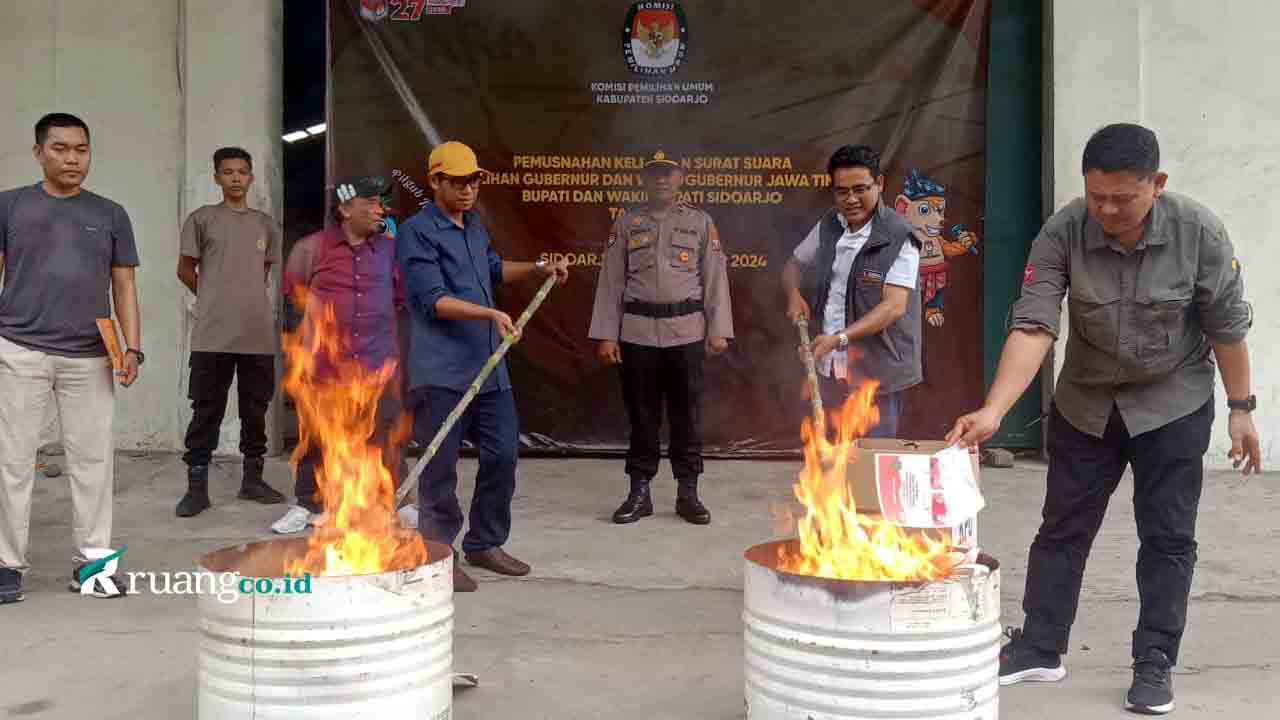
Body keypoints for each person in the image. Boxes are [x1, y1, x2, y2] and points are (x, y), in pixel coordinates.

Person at [946, 123, 1261, 716]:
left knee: (1167, 539)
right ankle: (1040, 646)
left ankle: (1155, 660)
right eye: (1097, 197)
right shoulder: (1064, 229)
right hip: (1086, 405)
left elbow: (1227, 328)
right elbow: (1035, 324)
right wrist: (994, 410)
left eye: (1124, 197)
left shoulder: (1199, 232)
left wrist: (1241, 411)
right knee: (1061, 529)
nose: (1108, 210)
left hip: (1174, 405)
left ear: (1157, 184)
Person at [397, 141, 568, 592]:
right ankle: (438, 552)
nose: (470, 189)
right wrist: (489, 314)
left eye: (474, 180)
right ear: (435, 181)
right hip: (442, 371)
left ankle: (485, 542)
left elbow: (493, 269)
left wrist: (537, 268)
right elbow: (432, 300)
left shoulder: (473, 226)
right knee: (440, 467)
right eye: (459, 181)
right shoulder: (416, 232)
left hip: (488, 366)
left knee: (503, 454)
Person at [0, 113, 142, 604]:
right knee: (12, 461)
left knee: (93, 462)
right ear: (39, 151)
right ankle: (6, 566)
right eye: (60, 148)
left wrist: (132, 347)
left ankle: (94, 564)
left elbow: (123, 283)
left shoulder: (109, 213)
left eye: (81, 149)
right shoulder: (10, 206)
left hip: (90, 358)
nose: (72, 158)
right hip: (19, 349)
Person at [588, 150, 733, 526]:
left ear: (680, 177)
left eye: (668, 174)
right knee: (642, 415)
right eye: (654, 174)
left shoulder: (700, 223)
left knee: (687, 415)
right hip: (636, 332)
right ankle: (640, 490)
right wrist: (606, 334)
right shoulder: (626, 223)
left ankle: (688, 491)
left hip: (686, 331)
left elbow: (715, 277)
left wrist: (719, 329)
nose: (661, 180)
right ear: (644, 179)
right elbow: (611, 281)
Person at [270, 175, 407, 534]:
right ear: (346, 208)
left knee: (385, 435)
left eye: (382, 203)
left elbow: (398, 299)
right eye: (372, 202)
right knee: (316, 436)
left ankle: (392, 502)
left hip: (378, 363)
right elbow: (293, 301)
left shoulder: (392, 250)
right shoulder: (310, 249)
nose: (381, 209)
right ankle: (306, 503)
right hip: (325, 366)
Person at [174, 147, 286, 517]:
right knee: (206, 408)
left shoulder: (265, 225)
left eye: (242, 172)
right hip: (213, 334)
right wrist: (210, 297)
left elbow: (264, 273)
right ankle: (197, 487)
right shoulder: (202, 219)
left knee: (256, 407)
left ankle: (252, 481)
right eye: (228, 172)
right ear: (217, 178)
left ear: (251, 177)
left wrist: (244, 298)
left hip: (256, 333)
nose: (236, 178)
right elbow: (185, 269)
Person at [781, 144, 922, 437]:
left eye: (860, 189)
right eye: (842, 191)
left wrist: (840, 339)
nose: (851, 199)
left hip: (878, 375)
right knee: (832, 463)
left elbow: (893, 307)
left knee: (871, 462)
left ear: (880, 184)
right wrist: (794, 294)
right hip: (830, 369)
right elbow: (793, 265)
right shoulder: (830, 225)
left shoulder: (900, 237)